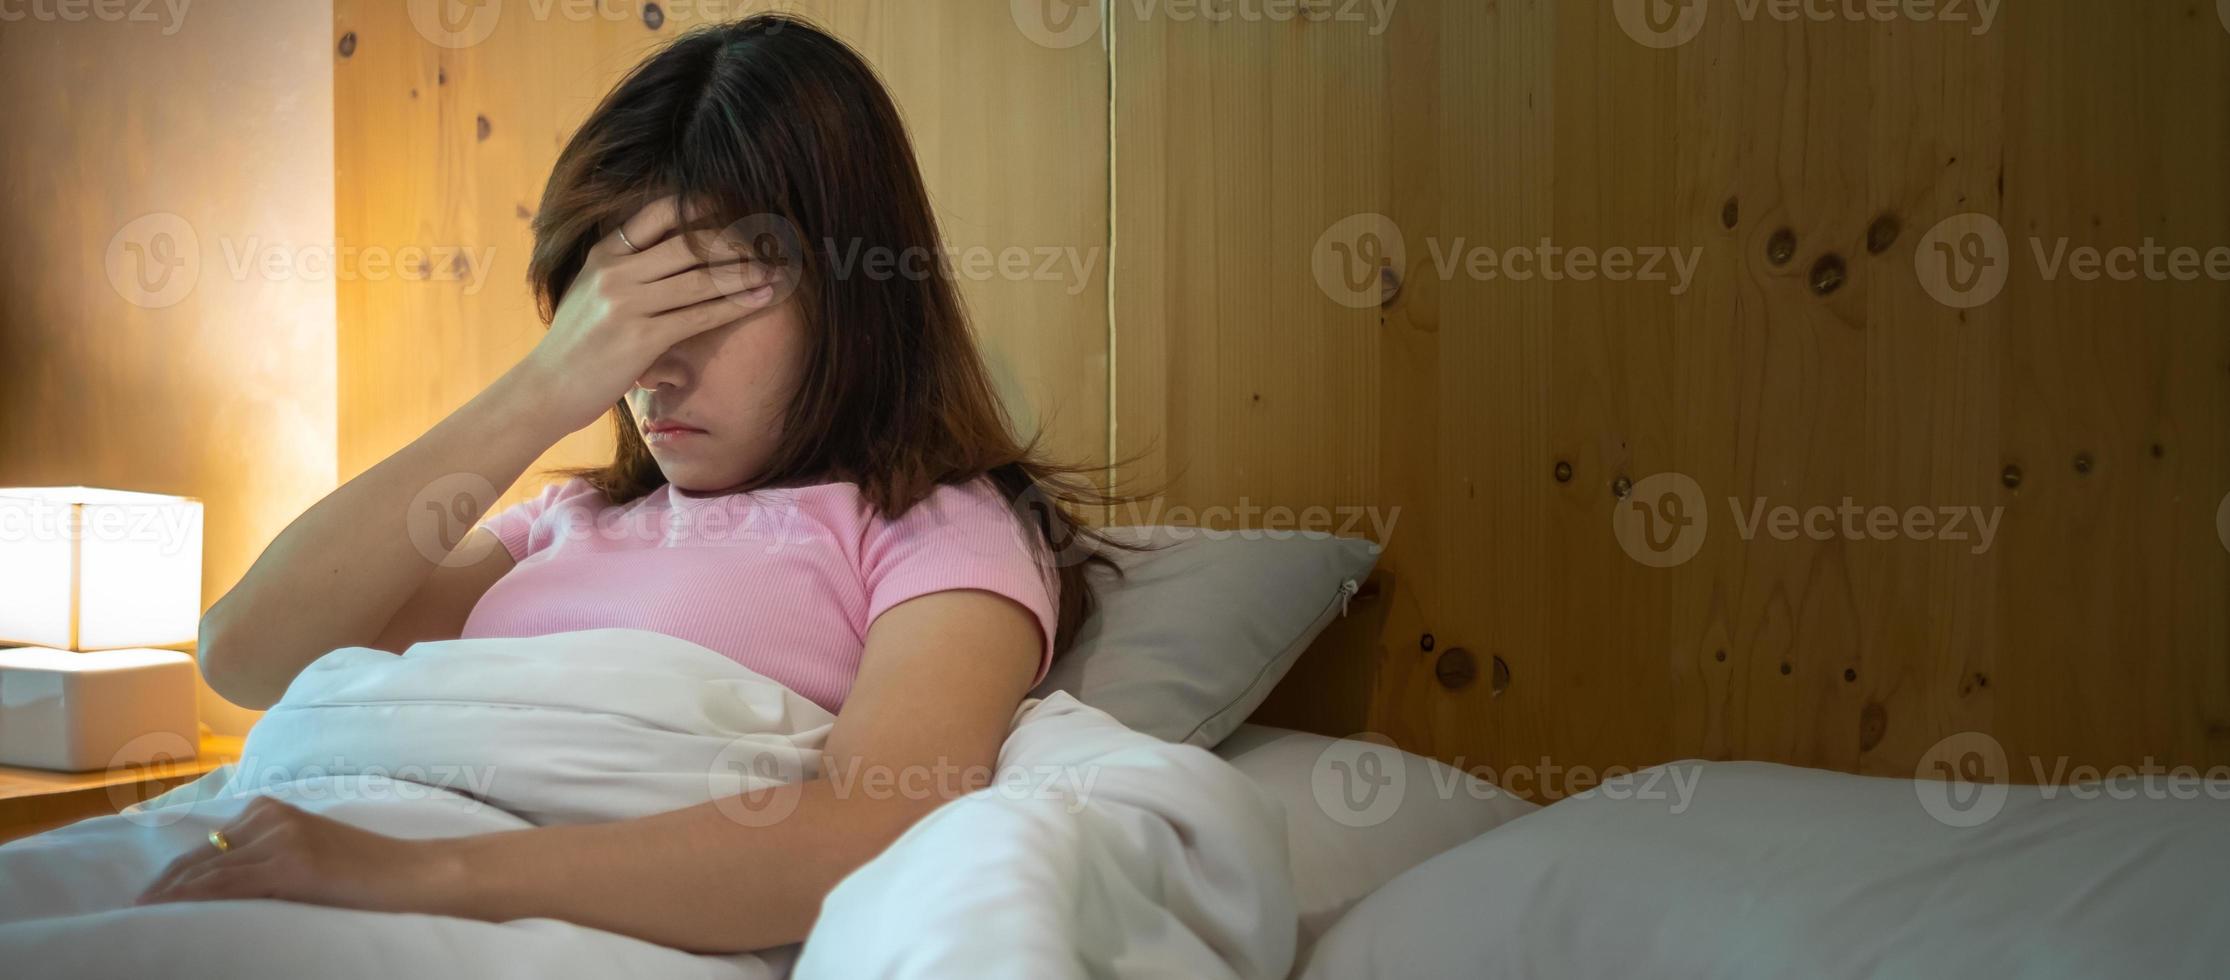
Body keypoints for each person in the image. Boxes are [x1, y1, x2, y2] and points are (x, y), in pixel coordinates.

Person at [150, 13, 1143, 954]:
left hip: (469, 905)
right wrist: (541, 389)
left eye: (695, 304)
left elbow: (874, 820)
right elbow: (245, 655)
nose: (648, 369)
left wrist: (412, 870)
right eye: (613, 321)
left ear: (849, 299)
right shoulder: (566, 521)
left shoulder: (936, 524)